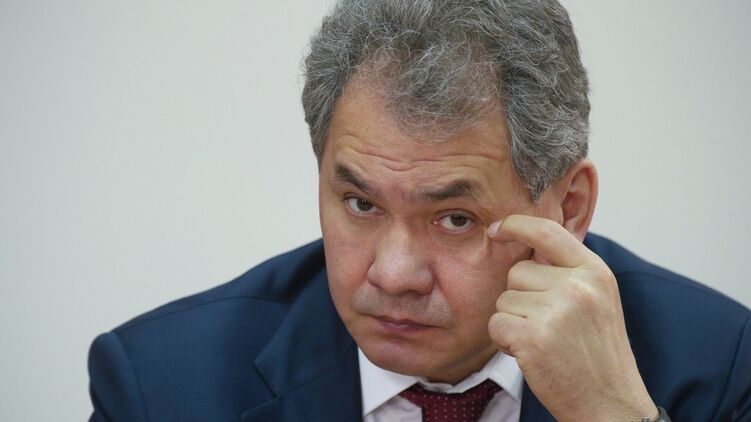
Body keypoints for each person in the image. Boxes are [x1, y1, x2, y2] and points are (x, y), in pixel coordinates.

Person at [87, 0, 751, 421]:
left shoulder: (719, 366)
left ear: (568, 207)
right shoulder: (161, 386)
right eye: (360, 204)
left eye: (455, 218)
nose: (394, 274)